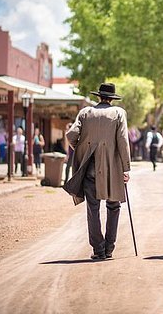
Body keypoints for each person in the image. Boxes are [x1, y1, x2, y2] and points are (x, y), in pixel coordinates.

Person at [63, 83, 131, 260]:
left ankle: (98, 250)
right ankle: (109, 248)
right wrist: (126, 168)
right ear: (112, 98)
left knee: (93, 208)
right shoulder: (118, 113)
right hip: (112, 168)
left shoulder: (85, 113)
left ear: (99, 97)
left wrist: (81, 148)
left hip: (90, 168)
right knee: (113, 206)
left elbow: (71, 135)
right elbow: (123, 141)